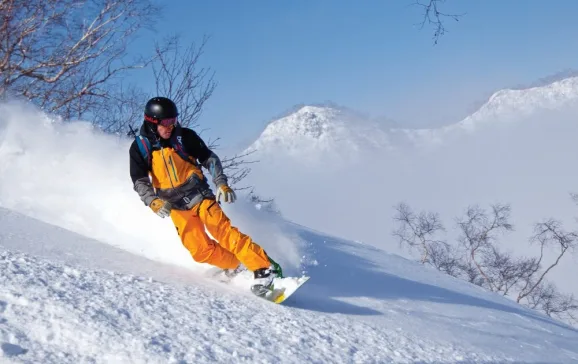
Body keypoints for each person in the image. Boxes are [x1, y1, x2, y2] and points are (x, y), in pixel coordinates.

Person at [128, 96, 281, 296]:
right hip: (174, 205)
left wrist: (221, 183)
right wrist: (153, 201)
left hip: (199, 195)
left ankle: (263, 268)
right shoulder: (140, 147)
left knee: (222, 232)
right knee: (199, 251)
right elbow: (139, 180)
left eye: (173, 120)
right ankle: (236, 265)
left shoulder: (185, 137)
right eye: (166, 122)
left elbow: (209, 158)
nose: (170, 126)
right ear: (152, 122)